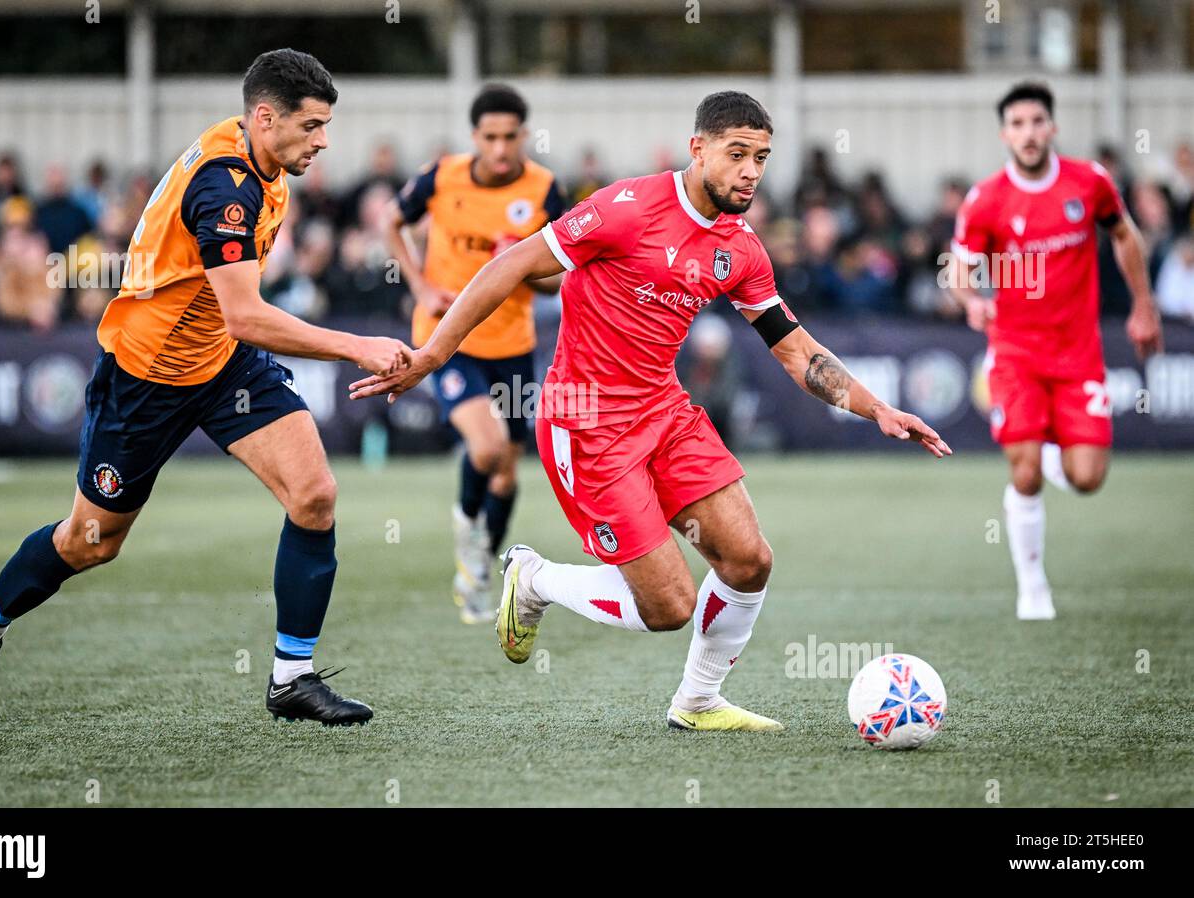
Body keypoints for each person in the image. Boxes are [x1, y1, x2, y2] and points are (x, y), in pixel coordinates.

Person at [352, 91, 950, 731]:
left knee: (749, 560)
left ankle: (697, 702)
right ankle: (535, 578)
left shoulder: (742, 249)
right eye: (737, 154)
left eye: (762, 158)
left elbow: (797, 352)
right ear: (699, 150)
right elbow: (512, 265)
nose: (751, 170)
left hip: (664, 413)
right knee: (668, 606)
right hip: (586, 425)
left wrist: (877, 408)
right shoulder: (625, 206)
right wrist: (434, 353)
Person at [0, 48, 411, 726]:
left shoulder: (263, 157)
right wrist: (358, 347)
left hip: (222, 366)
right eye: (312, 126)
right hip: (147, 376)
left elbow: (233, 320)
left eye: (325, 125)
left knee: (313, 494)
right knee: (91, 542)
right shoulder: (226, 187)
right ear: (264, 117)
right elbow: (247, 314)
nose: (323, 141)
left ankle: (292, 677)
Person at [947, 81, 1163, 621]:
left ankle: (1046, 449)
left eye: (1037, 121)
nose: (1028, 132)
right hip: (1016, 353)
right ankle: (1033, 587)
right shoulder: (987, 200)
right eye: (1017, 124)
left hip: (1078, 354)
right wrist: (971, 302)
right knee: (1024, 476)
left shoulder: (1088, 182)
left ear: (1052, 127)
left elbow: (1124, 235)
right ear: (1005, 134)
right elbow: (959, 271)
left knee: (1088, 478)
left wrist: (1143, 305)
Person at [386, 83, 566, 623]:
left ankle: (482, 565)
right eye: (490, 137)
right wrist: (418, 285)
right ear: (475, 137)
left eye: (510, 137)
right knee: (486, 450)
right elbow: (391, 222)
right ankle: (468, 542)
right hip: (447, 339)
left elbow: (556, 282)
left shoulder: (544, 189)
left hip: (512, 345)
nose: (501, 149)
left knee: (508, 473)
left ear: (523, 135)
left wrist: (524, 263)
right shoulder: (441, 177)